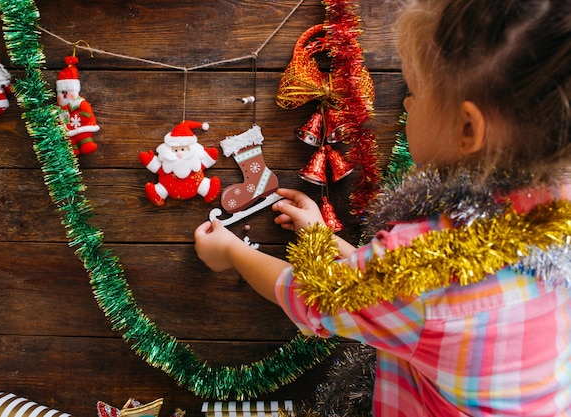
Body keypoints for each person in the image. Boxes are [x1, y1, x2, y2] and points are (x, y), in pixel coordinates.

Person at [194, 0, 571, 415]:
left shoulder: (425, 267)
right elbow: (415, 296)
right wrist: (325, 242)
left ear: (468, 127)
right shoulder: (550, 216)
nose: (406, 105)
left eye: (414, 92)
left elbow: (311, 299)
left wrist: (231, 252)